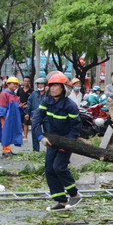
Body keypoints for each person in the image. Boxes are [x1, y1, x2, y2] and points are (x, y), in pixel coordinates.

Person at [32, 72, 81, 212]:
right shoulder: (46, 102)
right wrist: (40, 137)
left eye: (56, 85)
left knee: (59, 167)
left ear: (64, 88)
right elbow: (36, 119)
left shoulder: (70, 106)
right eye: (51, 85)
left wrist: (67, 145)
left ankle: (75, 195)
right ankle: (61, 201)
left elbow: (75, 128)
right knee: (49, 169)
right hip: (52, 140)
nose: (52, 88)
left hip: (66, 140)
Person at [0, 76, 23, 157]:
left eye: (17, 84)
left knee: (10, 133)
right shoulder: (4, 94)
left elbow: (17, 105)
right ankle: (6, 150)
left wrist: (21, 106)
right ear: (8, 84)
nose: (15, 86)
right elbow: (1, 106)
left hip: (13, 118)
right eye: (14, 84)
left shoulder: (14, 95)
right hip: (6, 118)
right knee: (5, 132)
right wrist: (3, 116)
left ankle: (8, 149)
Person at [27, 77, 47, 152]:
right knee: (34, 132)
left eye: (41, 84)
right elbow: (29, 103)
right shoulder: (33, 94)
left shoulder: (48, 94)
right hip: (35, 115)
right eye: (38, 84)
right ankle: (35, 150)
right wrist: (27, 113)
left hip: (46, 117)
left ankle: (49, 150)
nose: (40, 86)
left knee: (48, 132)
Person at [17, 76, 33, 143]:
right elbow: (17, 97)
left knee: (25, 123)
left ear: (29, 82)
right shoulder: (19, 90)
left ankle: (25, 136)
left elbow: (32, 100)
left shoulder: (32, 91)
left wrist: (27, 106)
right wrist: (19, 104)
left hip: (27, 109)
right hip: (20, 108)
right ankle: (22, 134)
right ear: (23, 81)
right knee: (20, 123)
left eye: (27, 81)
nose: (26, 82)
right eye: (25, 81)